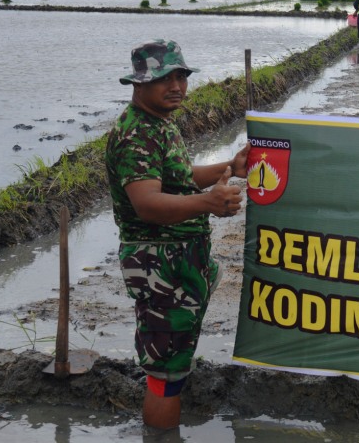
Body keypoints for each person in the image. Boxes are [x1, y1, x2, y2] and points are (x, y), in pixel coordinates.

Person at [105, 38, 249, 431]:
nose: (176, 87)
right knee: (165, 376)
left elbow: (179, 178)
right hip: (159, 264)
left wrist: (229, 167)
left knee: (175, 365)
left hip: (180, 260)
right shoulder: (136, 134)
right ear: (139, 84)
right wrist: (208, 203)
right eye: (164, 79)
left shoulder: (159, 124)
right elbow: (147, 204)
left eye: (181, 77)